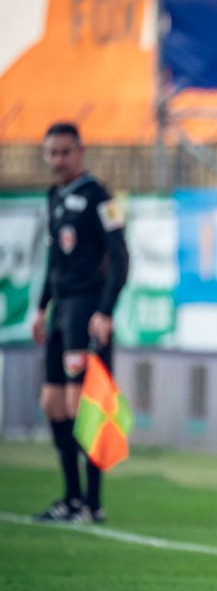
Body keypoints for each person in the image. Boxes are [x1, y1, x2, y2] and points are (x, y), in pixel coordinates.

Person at [32, 122, 128, 524]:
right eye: (52, 153)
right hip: (61, 310)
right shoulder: (54, 196)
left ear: (80, 152)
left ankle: (92, 501)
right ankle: (70, 497)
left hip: (87, 309)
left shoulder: (99, 196)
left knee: (83, 404)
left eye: (65, 152)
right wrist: (41, 307)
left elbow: (120, 257)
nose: (58, 160)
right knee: (52, 403)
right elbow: (55, 258)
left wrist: (105, 310)